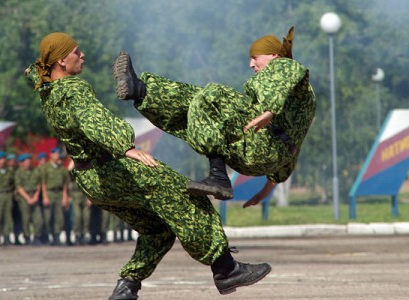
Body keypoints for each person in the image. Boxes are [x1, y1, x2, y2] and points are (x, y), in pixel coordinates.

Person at [25, 32, 270, 298]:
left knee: (158, 229)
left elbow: (65, 108)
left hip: (89, 180)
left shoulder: (47, 92)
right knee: (189, 197)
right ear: (61, 60)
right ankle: (226, 269)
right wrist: (127, 147)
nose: (82, 55)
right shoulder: (74, 88)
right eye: (76, 52)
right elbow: (92, 121)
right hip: (115, 169)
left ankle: (127, 286)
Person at [113, 26, 316, 206]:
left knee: (213, 94)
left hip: (260, 147)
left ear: (273, 55)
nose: (251, 64)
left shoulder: (287, 68)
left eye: (255, 57)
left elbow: (289, 73)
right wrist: (264, 192)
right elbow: (291, 151)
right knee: (196, 101)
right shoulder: (292, 103)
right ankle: (140, 90)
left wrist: (269, 112)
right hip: (261, 153)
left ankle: (218, 176)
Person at [41, 147, 69, 245]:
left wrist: (65, 197)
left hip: (59, 193)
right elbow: (43, 183)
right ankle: (49, 236)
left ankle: (57, 237)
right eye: (55, 154)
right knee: (48, 216)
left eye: (58, 154)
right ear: (51, 155)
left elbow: (65, 185)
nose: (57, 156)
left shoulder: (62, 168)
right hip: (49, 193)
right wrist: (45, 196)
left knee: (59, 217)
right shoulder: (45, 168)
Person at [14, 153, 43, 245]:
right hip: (24, 198)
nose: (28, 163)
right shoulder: (19, 172)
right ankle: (27, 237)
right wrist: (27, 198)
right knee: (25, 218)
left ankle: (37, 237)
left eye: (29, 161)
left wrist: (35, 196)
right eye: (26, 161)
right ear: (22, 163)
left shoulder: (36, 170)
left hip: (34, 195)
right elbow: (19, 187)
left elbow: (39, 184)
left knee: (38, 218)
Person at [0, 151, 15, 246]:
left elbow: (13, 183)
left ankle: (7, 236)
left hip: (8, 194)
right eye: (0, 159)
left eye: (4, 159)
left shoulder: (9, 171)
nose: (2, 161)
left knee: (8, 216)